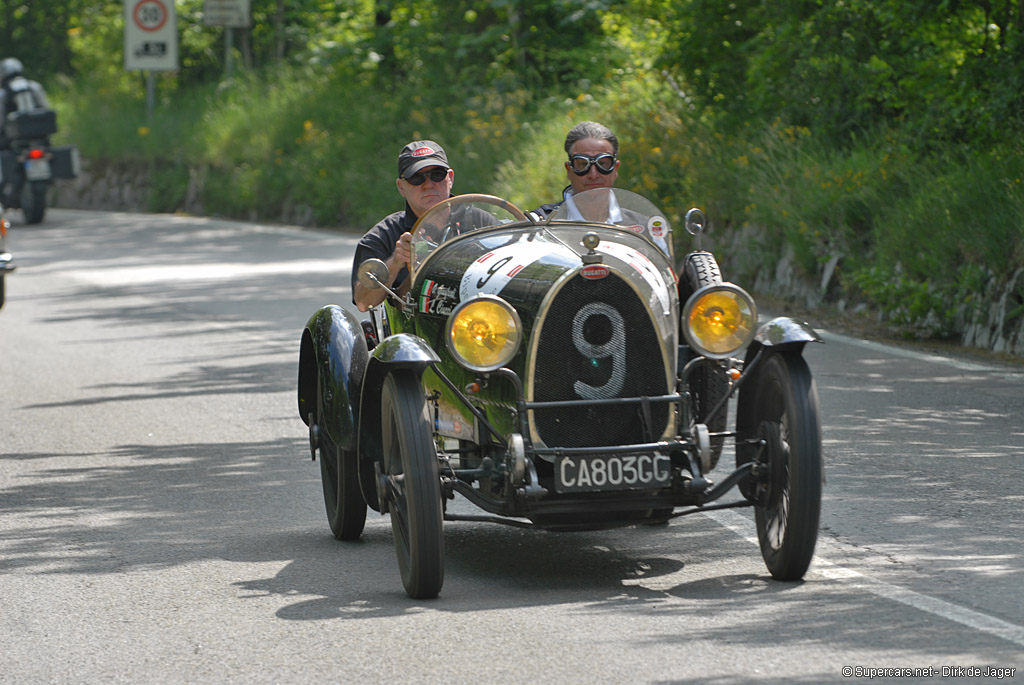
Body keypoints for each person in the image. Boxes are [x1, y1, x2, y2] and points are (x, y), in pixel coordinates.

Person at [351, 139, 455, 312]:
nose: (428, 184)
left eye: (437, 174)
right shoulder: (381, 236)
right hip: (414, 331)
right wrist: (396, 262)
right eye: (416, 178)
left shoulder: (484, 224)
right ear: (401, 187)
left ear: (449, 178)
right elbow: (363, 303)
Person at [530, 121, 620, 220]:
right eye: (583, 164)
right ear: (569, 170)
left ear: (615, 168)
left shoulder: (637, 226)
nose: (593, 175)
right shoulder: (540, 222)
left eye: (602, 164)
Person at [0, 58, 50, 149]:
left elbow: (1, 119)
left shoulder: (3, 93)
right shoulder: (35, 86)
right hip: (40, 136)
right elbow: (45, 109)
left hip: (13, 141)